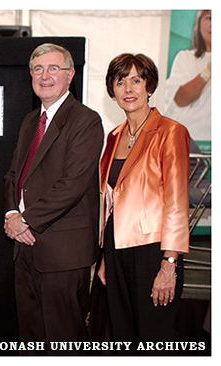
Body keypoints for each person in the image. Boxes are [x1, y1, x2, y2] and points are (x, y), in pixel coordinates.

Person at [3, 43, 103, 355]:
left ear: (71, 75)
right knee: (30, 337)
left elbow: (72, 185)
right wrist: (10, 216)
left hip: (63, 253)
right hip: (25, 248)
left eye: (53, 68)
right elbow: (13, 176)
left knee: (63, 341)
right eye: (38, 69)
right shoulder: (31, 121)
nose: (44, 76)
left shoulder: (86, 120)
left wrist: (26, 219)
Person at [97, 53, 190, 355]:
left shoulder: (170, 131)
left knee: (156, 338)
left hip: (155, 249)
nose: (128, 88)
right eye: (120, 81)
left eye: (136, 80)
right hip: (115, 248)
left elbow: (176, 202)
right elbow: (110, 200)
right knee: (123, 336)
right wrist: (103, 257)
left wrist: (170, 264)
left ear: (149, 86)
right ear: (112, 92)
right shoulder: (113, 137)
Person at [165, 10, 211, 142]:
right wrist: (206, 72)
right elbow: (179, 100)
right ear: (199, 23)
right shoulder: (186, 58)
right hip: (192, 141)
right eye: (209, 18)